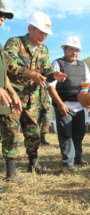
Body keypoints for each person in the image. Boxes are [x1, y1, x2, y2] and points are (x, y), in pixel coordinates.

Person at [1, 11, 67, 181]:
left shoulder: (43, 50)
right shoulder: (14, 43)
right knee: (11, 132)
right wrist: (29, 73)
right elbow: (8, 65)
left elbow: (46, 71)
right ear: (30, 29)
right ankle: (11, 170)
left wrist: (54, 75)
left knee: (33, 133)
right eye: (41, 32)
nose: (44, 36)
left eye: (46, 33)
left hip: (33, 99)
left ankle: (33, 163)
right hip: (12, 97)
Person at [48, 36, 90, 172]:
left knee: (79, 134)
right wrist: (60, 104)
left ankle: (77, 158)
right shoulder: (57, 63)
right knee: (66, 135)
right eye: (71, 49)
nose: (74, 53)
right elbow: (50, 86)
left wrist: (89, 102)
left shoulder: (83, 65)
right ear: (64, 49)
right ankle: (67, 162)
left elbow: (88, 84)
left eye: (77, 50)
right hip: (64, 106)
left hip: (79, 106)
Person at [0, 0, 21, 187]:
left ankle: (11, 172)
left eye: (3, 16)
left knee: (10, 132)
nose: (1, 19)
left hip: (3, 99)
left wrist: (12, 92)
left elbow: (3, 73)